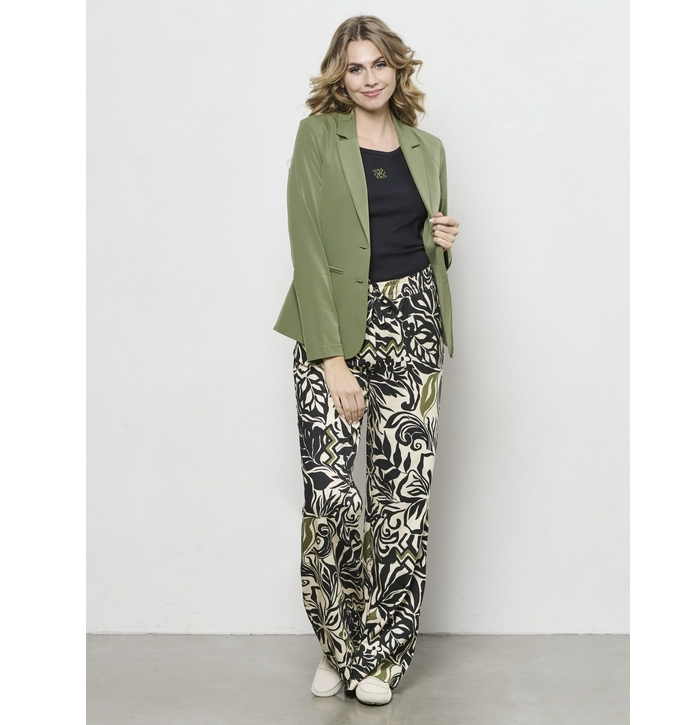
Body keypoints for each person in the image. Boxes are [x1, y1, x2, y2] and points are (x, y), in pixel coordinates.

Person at [273, 15, 460, 706]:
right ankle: (338, 645)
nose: (369, 77)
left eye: (379, 63)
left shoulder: (427, 148)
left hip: (413, 326)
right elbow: (306, 244)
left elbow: (420, 242)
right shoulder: (317, 136)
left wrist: (441, 239)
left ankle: (381, 658)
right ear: (340, 75)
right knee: (331, 496)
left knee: (401, 500)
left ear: (397, 68)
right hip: (333, 330)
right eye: (355, 67)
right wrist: (331, 359)